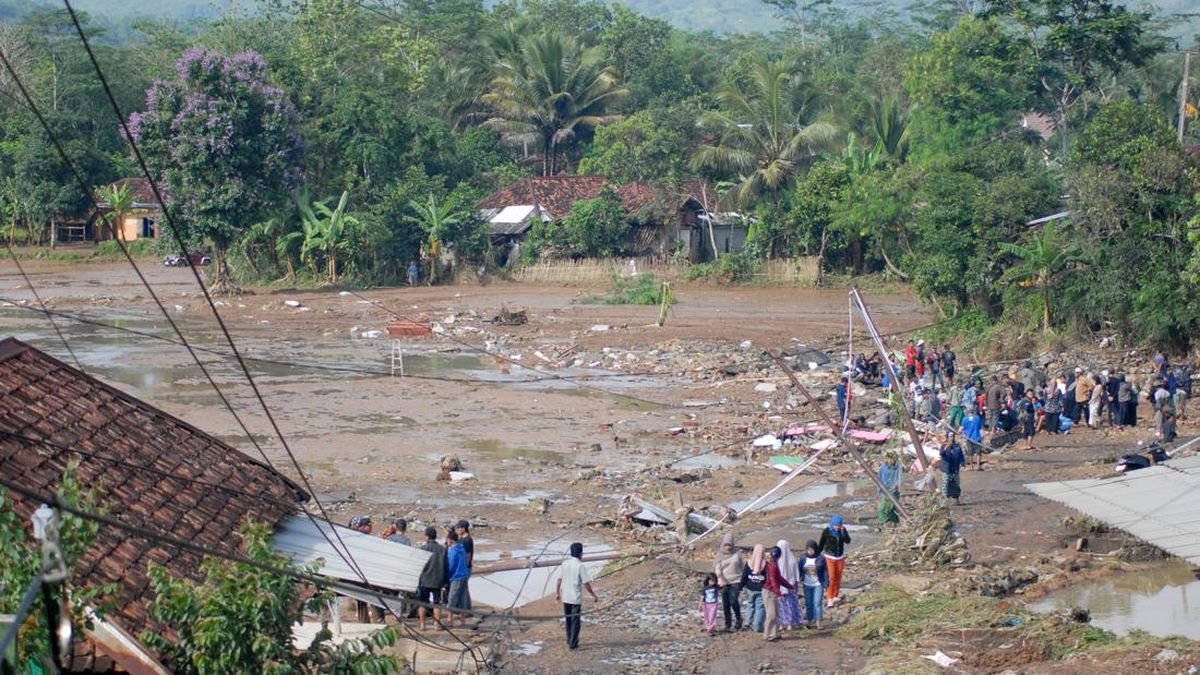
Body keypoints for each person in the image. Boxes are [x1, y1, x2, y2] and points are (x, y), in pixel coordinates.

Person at [556, 542, 598, 651]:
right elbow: (586, 584)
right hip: (575, 598)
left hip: (566, 596)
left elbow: (559, 579)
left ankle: (569, 640)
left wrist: (557, 593)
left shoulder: (565, 563)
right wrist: (593, 595)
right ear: (580, 553)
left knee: (568, 620)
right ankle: (573, 644)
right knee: (575, 622)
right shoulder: (580, 566)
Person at [816, 515, 851, 607]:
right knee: (831, 577)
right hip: (829, 557)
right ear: (832, 524)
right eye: (835, 525)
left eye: (839, 525)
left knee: (838, 577)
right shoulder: (826, 531)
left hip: (840, 557)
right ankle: (829, 598)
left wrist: (843, 533)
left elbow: (848, 541)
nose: (837, 527)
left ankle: (835, 595)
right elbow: (821, 544)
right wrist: (816, 555)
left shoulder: (842, 530)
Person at [416, 526, 447, 631]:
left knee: (422, 603)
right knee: (437, 603)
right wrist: (445, 581)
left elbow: (418, 566)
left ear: (427, 537)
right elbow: (446, 566)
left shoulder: (423, 549)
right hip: (438, 580)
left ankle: (422, 624)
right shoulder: (443, 550)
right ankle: (437, 624)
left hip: (424, 580)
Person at [714, 533, 744, 632]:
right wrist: (720, 578)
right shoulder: (719, 555)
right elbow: (717, 568)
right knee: (726, 603)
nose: (728, 547)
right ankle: (728, 625)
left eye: (730, 545)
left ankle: (739, 618)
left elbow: (742, 566)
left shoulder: (737, 553)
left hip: (736, 580)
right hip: (723, 581)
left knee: (733, 600)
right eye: (726, 545)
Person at [762, 546, 793, 642]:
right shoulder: (772, 565)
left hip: (772, 591)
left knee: (775, 614)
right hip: (769, 591)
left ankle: (774, 634)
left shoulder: (773, 564)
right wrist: (779, 593)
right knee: (771, 614)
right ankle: (767, 634)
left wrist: (789, 586)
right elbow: (773, 580)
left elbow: (778, 578)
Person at [799, 540, 828, 630]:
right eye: (808, 550)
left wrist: (826, 582)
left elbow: (825, 571)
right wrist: (798, 579)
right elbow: (799, 569)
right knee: (809, 603)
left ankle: (818, 622)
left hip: (818, 584)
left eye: (812, 550)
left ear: (816, 549)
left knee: (817, 603)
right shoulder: (803, 558)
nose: (810, 551)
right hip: (807, 584)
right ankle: (809, 621)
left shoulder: (821, 558)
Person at [774, 539, 802, 630]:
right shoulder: (792, 559)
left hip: (779, 586)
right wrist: (796, 585)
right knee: (791, 604)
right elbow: (796, 575)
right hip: (791, 585)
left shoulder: (776, 560)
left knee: (780, 605)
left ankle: (781, 624)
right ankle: (790, 623)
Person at [740, 544, 767, 633]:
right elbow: (768, 578)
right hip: (761, 589)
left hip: (750, 588)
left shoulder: (749, 563)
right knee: (760, 607)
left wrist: (740, 586)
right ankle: (757, 626)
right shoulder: (765, 564)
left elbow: (744, 576)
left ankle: (747, 623)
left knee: (750, 605)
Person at [445, 530, 470, 627]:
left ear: (450, 541)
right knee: (462, 598)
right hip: (464, 575)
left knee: (452, 598)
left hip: (456, 577)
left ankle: (450, 619)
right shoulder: (461, 548)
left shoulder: (453, 551)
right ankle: (462, 620)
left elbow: (450, 565)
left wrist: (446, 576)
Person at [939, 431, 966, 505]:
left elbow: (961, 455)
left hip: (955, 469)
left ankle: (956, 499)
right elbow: (941, 454)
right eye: (950, 436)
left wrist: (962, 463)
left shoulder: (957, 446)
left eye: (952, 436)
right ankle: (945, 500)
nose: (951, 438)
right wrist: (947, 446)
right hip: (947, 469)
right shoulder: (944, 446)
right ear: (947, 437)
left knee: (956, 484)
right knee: (945, 484)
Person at [877, 453, 902, 525]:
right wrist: (878, 491)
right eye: (889, 459)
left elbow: (899, 479)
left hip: (894, 491)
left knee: (892, 509)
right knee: (882, 508)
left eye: (892, 459)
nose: (890, 461)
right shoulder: (883, 468)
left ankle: (895, 523)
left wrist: (897, 486)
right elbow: (879, 479)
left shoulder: (898, 468)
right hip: (885, 491)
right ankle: (883, 523)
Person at [455, 520, 474, 611]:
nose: (457, 529)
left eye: (459, 528)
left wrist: (465, 568)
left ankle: (466, 608)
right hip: (461, 567)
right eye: (457, 528)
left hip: (465, 568)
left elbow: (468, 555)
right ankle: (465, 607)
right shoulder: (461, 538)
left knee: (463, 588)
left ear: (464, 528)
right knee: (464, 588)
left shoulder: (467, 540)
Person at [961, 406, 984, 470]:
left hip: (969, 438)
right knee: (978, 453)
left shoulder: (964, 419)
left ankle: (971, 466)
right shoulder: (977, 418)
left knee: (970, 452)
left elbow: (963, 428)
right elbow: (980, 427)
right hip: (977, 437)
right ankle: (978, 466)